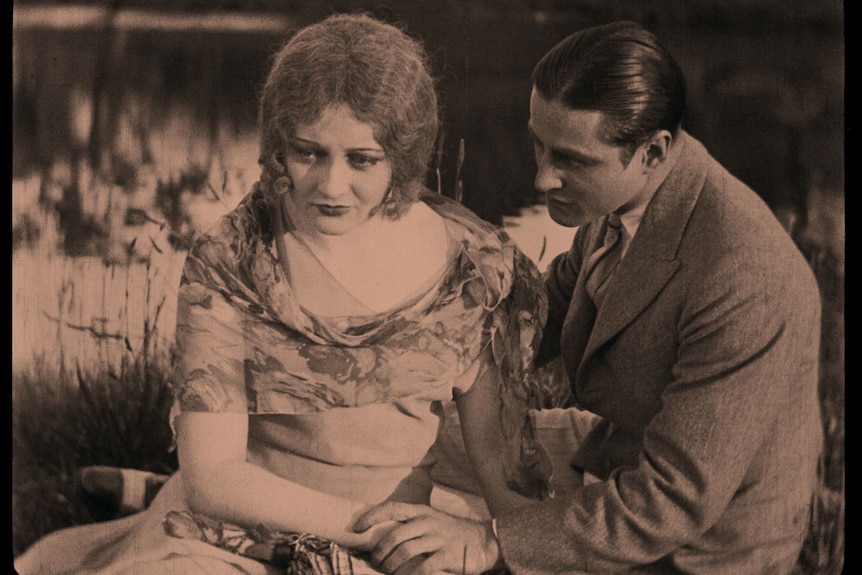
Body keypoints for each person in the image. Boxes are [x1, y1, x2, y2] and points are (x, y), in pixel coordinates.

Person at [14, 13, 557, 575]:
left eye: (362, 160)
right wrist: (372, 528)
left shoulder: (480, 272)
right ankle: (142, 512)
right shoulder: (230, 260)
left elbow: (501, 465)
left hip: (394, 557)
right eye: (308, 152)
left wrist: (491, 542)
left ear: (405, 153)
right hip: (232, 538)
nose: (330, 185)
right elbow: (216, 477)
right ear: (278, 145)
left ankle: (139, 494)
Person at [353, 20, 823, 575]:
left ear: (652, 151)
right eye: (538, 144)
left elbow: (671, 501)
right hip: (611, 451)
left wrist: (489, 539)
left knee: (426, 527)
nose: (542, 178)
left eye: (571, 160)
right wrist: (393, 356)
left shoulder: (746, 278)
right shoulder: (630, 198)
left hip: (690, 549)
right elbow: (538, 317)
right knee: (376, 440)